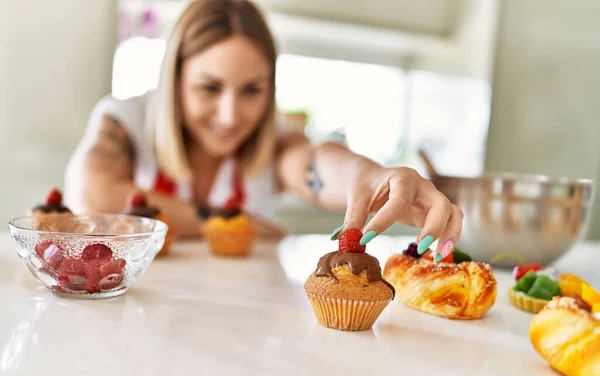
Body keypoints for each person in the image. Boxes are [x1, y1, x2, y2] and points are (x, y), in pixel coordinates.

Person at [64, 0, 463, 260]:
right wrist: (237, 225)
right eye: (209, 88)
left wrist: (371, 176)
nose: (230, 115)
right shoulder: (125, 120)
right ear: (174, 81)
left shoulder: (273, 141)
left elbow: (316, 165)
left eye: (252, 90)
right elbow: (94, 199)